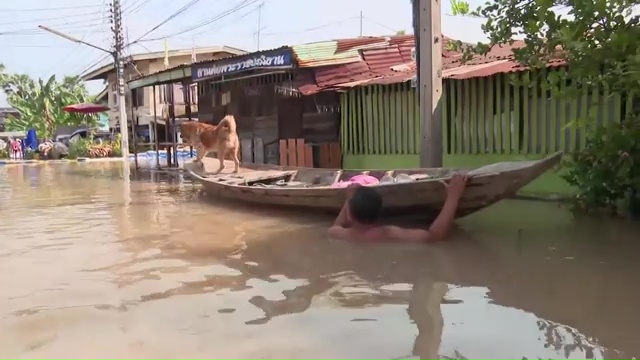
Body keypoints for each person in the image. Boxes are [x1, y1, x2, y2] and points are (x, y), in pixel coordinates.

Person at [328, 174, 469, 243]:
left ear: (350, 215)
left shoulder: (340, 234)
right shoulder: (389, 233)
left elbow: (336, 226)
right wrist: (453, 196)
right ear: (379, 212)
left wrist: (348, 199)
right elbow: (435, 236)